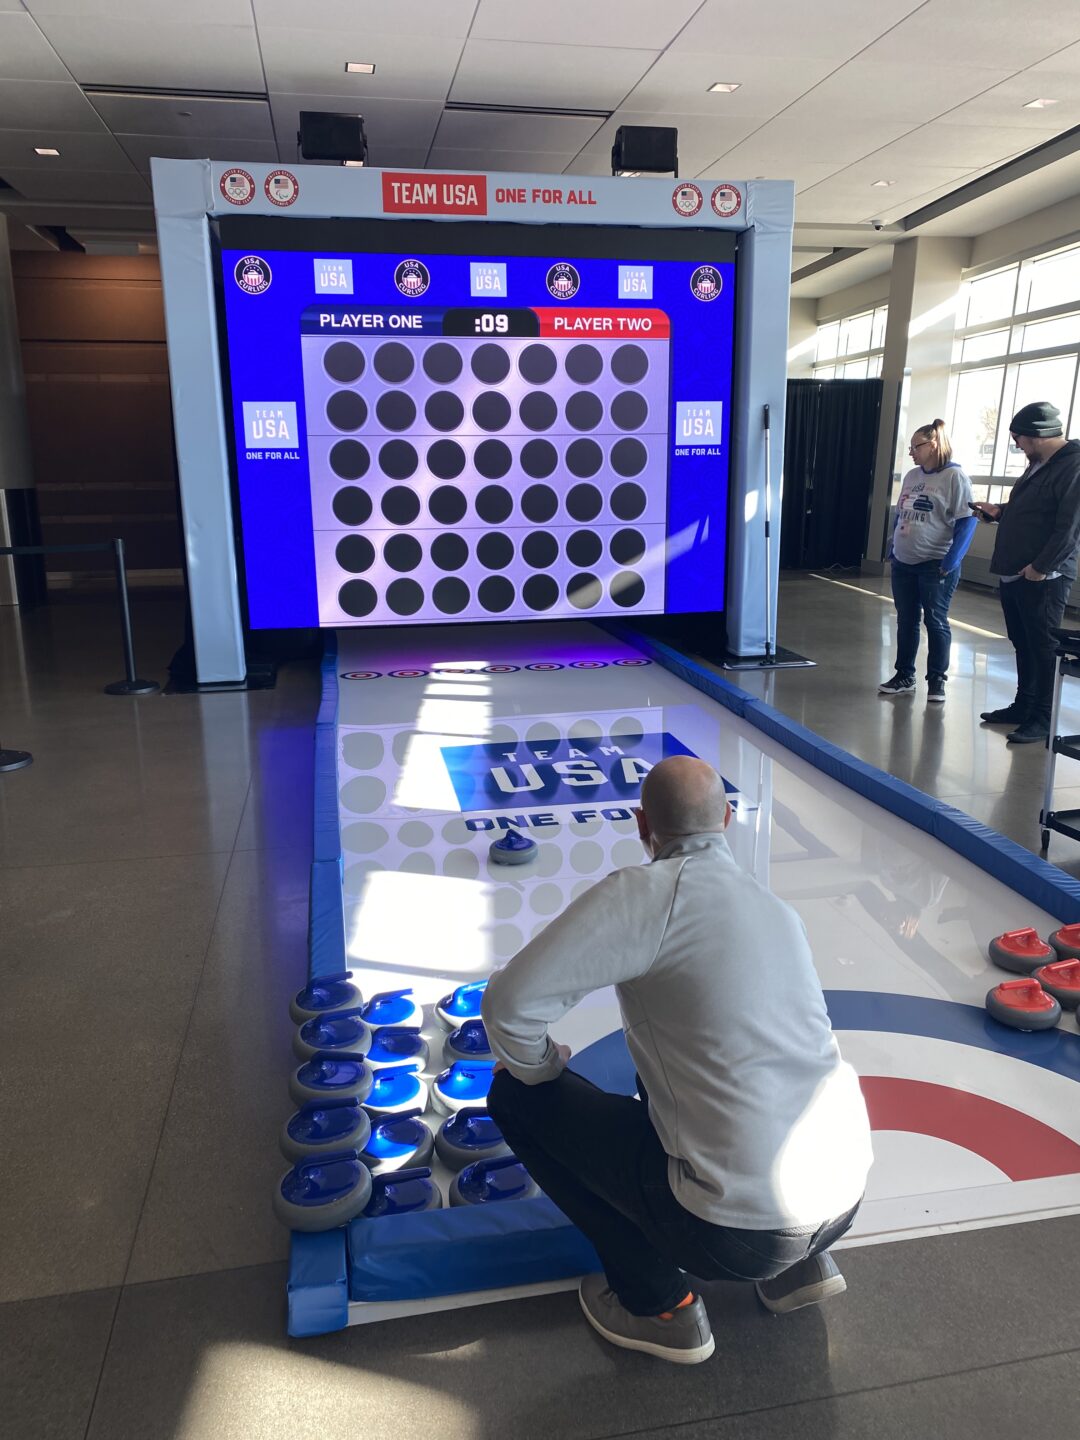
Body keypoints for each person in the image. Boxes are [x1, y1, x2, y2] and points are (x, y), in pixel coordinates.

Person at [481, 756, 873, 1365]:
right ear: (727, 818)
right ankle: (800, 1269)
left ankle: (658, 1304)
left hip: (735, 1234)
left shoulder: (647, 894)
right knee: (697, 1054)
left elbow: (508, 1006)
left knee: (514, 1097)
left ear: (643, 825)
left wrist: (540, 1069)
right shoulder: (775, 909)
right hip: (844, 1198)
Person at [971, 401, 1080, 744]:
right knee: (1022, 642)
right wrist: (999, 512)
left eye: (1017, 438)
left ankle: (1043, 718)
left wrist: (1041, 567)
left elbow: (1070, 528)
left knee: (1043, 647)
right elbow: (1031, 511)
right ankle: (1023, 706)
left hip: (1043, 577)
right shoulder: (1038, 464)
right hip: (1016, 571)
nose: (1016, 445)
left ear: (1036, 434)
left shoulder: (1073, 466)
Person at [879, 419, 977, 704]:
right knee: (906, 620)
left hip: (935, 563)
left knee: (935, 621)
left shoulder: (954, 477)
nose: (911, 452)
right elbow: (902, 513)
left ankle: (936, 679)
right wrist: (892, 546)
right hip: (903, 562)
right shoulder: (912, 475)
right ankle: (904, 675)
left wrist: (951, 561)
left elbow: (967, 521)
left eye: (916, 447)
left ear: (933, 445)